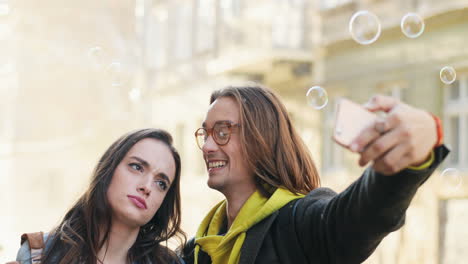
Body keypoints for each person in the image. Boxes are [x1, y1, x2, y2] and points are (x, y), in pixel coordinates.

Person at [181, 85, 449, 264]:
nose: (207, 146)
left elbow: (361, 215)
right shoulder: (194, 250)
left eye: (223, 132)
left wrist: (417, 145)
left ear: (261, 139)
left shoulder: (300, 223)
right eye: (206, 134)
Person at [14, 128, 186, 264]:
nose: (147, 187)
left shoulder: (171, 262)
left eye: (161, 183)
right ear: (108, 169)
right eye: (137, 167)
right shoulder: (39, 253)